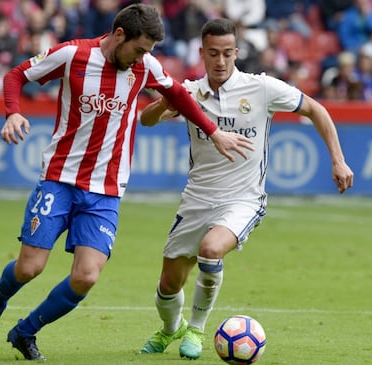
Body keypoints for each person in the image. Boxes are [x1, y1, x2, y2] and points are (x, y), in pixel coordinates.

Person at [0, 4, 252, 361]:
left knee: (86, 277)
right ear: (119, 35)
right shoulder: (72, 54)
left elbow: (176, 95)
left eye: (148, 52)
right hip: (59, 178)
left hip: (107, 190)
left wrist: (215, 133)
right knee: (29, 268)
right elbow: (15, 76)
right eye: (139, 49)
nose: (142, 58)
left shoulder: (144, 65)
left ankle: (26, 331)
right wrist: (13, 111)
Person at [139, 18, 354, 360]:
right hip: (196, 199)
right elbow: (146, 120)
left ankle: (195, 327)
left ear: (236, 52)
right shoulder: (191, 92)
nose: (220, 61)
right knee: (168, 285)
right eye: (213, 53)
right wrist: (170, 100)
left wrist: (338, 160)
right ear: (202, 53)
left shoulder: (262, 88)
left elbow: (316, 109)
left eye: (227, 53)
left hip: (243, 199)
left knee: (211, 250)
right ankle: (171, 329)